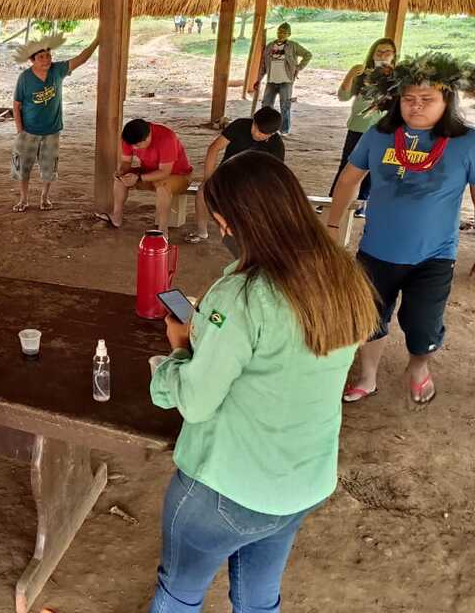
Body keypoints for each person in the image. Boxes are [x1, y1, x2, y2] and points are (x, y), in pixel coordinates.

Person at [148, 150, 378, 613]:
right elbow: (286, 362)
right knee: (258, 598)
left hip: (225, 485)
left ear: (235, 223)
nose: (221, 231)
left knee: (180, 592)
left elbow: (194, 400)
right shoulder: (344, 276)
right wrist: (212, 335)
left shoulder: (242, 294)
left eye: (221, 222)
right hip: (301, 482)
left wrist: (176, 352)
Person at [328, 52, 475, 405]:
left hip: (435, 256)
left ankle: (419, 367)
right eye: (408, 99)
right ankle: (368, 376)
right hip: (376, 251)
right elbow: (348, 179)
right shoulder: (380, 135)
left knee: (423, 326)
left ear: (447, 101)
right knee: (370, 319)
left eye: (427, 100)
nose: (416, 106)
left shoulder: (467, 142)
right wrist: (332, 225)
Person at [11, 31, 100, 212]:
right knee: (23, 167)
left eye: (48, 55)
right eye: (41, 57)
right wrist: (19, 130)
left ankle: (45, 197)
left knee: (49, 167)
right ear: (32, 60)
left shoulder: (58, 70)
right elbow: (16, 104)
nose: (46, 60)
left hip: (52, 130)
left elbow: (81, 58)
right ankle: (24, 199)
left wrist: (97, 40)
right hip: (28, 130)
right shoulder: (25, 78)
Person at [185, 107, 284, 242]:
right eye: (256, 128)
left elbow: (275, 174)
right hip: (226, 174)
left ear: (272, 134)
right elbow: (214, 149)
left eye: (263, 133)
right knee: (202, 192)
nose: (258, 134)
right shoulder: (240, 126)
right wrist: (207, 179)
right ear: (253, 121)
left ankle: (248, 236)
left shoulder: (276, 146)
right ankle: (201, 232)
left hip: (252, 183)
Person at [329, 38, 396, 219]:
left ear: (394, 55)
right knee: (348, 164)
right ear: (372, 54)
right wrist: (350, 75)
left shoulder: (397, 78)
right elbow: (343, 96)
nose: (382, 56)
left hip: (382, 131)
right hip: (357, 128)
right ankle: (334, 199)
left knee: (373, 167)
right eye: (379, 52)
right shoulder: (361, 74)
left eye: (387, 52)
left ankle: (360, 203)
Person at [95, 118, 192, 237]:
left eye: (137, 145)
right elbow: (126, 162)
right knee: (121, 179)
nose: (134, 148)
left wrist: (139, 178)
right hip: (148, 172)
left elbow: (165, 172)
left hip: (178, 175)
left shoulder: (166, 138)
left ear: (148, 137)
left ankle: (162, 231)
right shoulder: (129, 138)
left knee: (163, 186)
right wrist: (121, 172)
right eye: (132, 145)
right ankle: (116, 217)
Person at [252, 22, 311, 136]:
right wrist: (259, 80)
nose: (281, 34)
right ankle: (266, 127)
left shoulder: (293, 46)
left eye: (284, 32)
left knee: (285, 106)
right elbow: (264, 65)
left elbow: (308, 54)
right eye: (279, 31)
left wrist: (298, 67)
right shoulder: (270, 46)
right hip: (271, 81)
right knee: (266, 105)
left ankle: (284, 130)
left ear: (289, 34)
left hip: (286, 81)